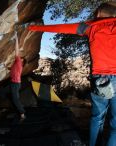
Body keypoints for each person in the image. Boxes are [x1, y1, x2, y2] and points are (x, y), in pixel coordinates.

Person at [28, 2, 116, 146]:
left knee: (97, 118)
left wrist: (34, 27)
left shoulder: (91, 26)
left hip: (100, 79)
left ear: (99, 13)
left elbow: (60, 27)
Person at [10, 31, 26, 121]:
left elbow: (17, 50)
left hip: (15, 84)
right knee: (11, 96)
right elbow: (13, 70)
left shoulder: (19, 61)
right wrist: (7, 67)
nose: (20, 56)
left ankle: (22, 114)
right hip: (13, 83)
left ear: (22, 60)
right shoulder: (17, 64)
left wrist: (16, 37)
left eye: (21, 57)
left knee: (15, 99)